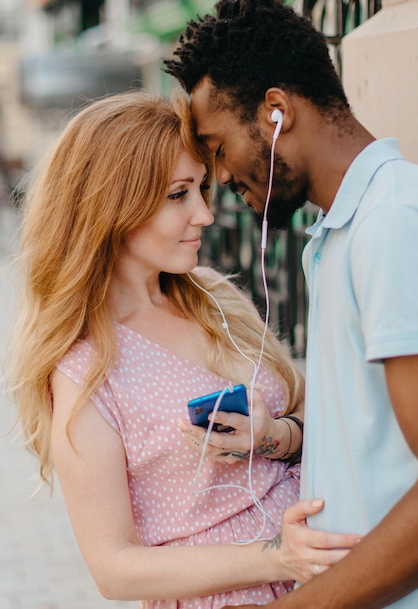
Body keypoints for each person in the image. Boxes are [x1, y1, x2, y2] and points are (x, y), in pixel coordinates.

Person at [6, 91, 359, 609]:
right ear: (112, 206)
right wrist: (274, 556)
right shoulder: (85, 371)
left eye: (201, 188)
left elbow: (304, 400)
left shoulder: (214, 295)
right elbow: (114, 568)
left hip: (327, 577)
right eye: (178, 194)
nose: (205, 215)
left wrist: (274, 438)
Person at [163, 0, 418, 609]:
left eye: (219, 148)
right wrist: (284, 435)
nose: (220, 178)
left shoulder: (391, 221)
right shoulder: (338, 235)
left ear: (276, 111)